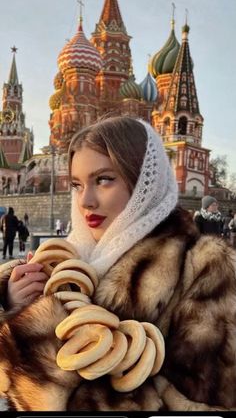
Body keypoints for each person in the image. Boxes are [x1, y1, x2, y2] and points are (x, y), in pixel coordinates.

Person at [1, 117, 236, 411]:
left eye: (103, 179)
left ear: (142, 182)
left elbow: (202, 403)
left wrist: (39, 334)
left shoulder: (205, 268)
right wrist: (12, 303)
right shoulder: (61, 261)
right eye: (76, 184)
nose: (85, 200)